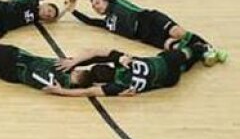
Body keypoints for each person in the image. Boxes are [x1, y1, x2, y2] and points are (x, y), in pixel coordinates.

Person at [72, 0, 228, 66]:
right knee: (173, 46)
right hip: (144, 36)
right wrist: (72, 11)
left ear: (106, 0)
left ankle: (211, 49)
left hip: (149, 19)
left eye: (97, 2)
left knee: (178, 33)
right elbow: (89, 21)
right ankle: (202, 52)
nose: (96, 7)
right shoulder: (106, 23)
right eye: (94, 7)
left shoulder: (117, 3)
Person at [42, 42, 209, 97]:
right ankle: (199, 49)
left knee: (182, 68)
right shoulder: (123, 62)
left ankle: (196, 58)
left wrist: (61, 91)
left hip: (168, 81)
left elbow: (88, 92)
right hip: (166, 62)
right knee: (183, 54)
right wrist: (75, 61)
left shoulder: (118, 86)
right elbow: (96, 52)